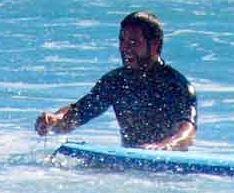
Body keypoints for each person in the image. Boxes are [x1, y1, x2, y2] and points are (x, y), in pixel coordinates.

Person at [35, 11, 197, 150]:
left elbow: (187, 133)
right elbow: (78, 114)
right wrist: (54, 120)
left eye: (134, 43)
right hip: (127, 167)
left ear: (155, 45)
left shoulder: (176, 85)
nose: (125, 49)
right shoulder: (116, 82)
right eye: (122, 41)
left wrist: (164, 147)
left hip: (167, 172)